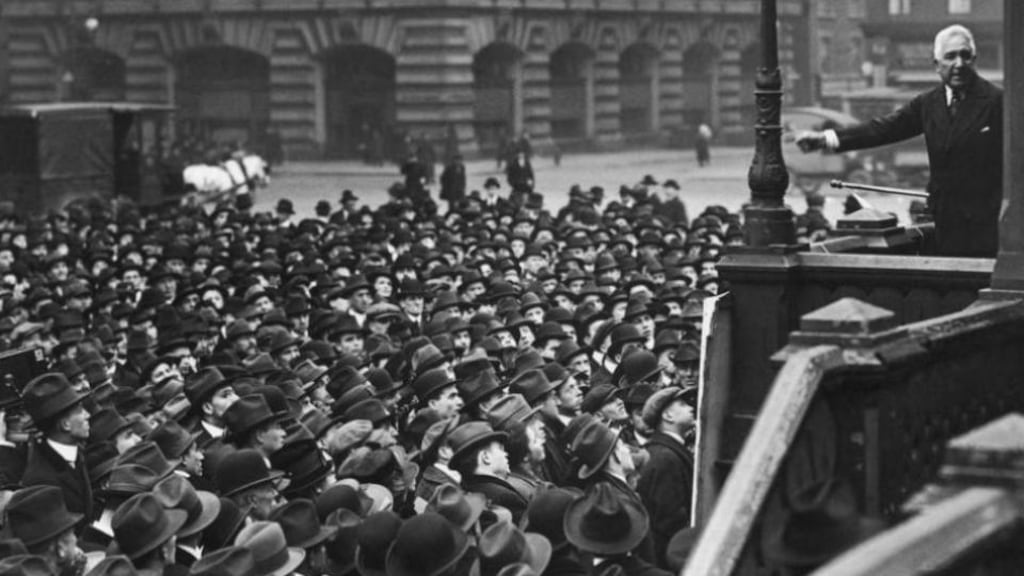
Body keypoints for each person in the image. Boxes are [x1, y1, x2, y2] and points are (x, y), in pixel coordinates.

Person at [794, 24, 1001, 257]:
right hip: (945, 225)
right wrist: (827, 138)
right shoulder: (928, 104)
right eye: (950, 56)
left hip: (990, 228)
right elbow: (883, 129)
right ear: (936, 65)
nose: (959, 64)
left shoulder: (997, 101)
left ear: (975, 59)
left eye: (965, 56)